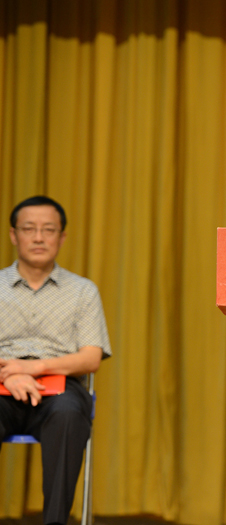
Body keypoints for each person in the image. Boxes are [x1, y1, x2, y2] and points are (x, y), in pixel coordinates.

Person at [0, 196, 111, 525]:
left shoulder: (82, 291)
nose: (38, 237)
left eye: (48, 230)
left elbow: (91, 357)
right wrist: (9, 374)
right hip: (2, 383)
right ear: (13, 235)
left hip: (60, 388)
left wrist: (32, 367)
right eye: (29, 229)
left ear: (61, 237)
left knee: (68, 415)